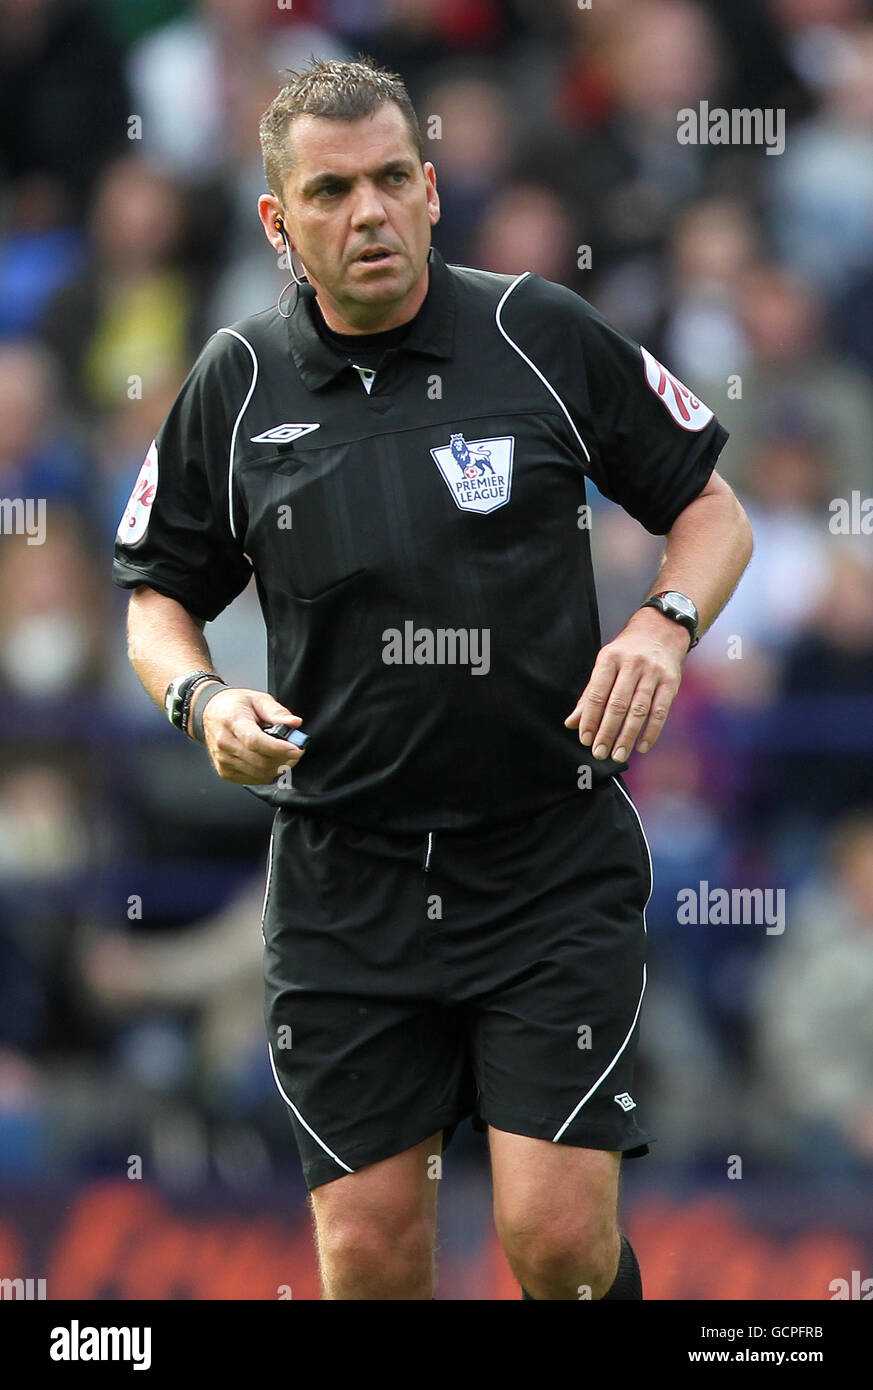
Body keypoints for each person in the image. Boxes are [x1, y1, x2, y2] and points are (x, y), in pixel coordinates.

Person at [113, 56, 753, 1300]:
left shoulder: (539, 331)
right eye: (334, 189)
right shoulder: (238, 385)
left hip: (544, 858)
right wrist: (200, 701)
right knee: (368, 1258)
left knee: (558, 1244)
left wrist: (663, 625)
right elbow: (155, 603)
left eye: (395, 179)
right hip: (346, 879)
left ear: (434, 188)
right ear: (277, 218)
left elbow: (713, 509)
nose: (370, 213)